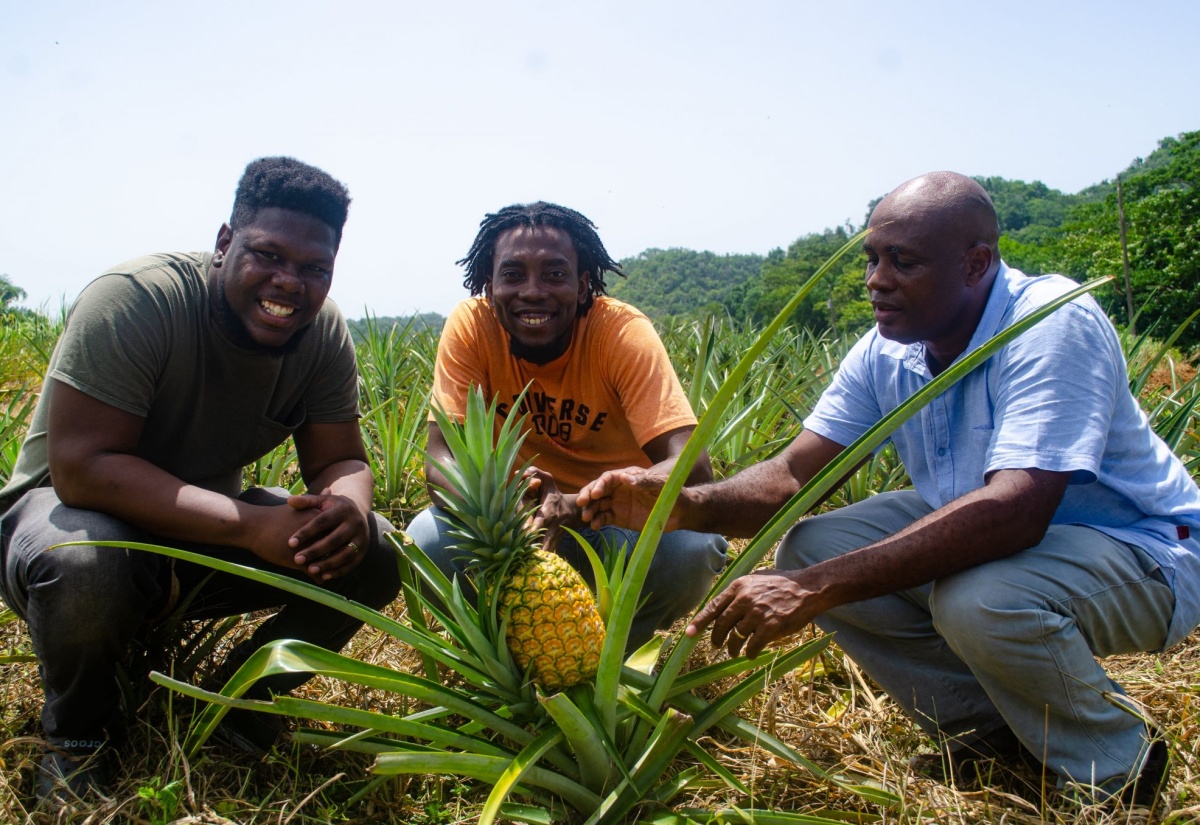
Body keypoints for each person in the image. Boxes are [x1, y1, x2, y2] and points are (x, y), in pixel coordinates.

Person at [578, 172, 1200, 807]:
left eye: (902, 261)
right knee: (813, 545)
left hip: (1144, 552)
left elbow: (1015, 512)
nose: (876, 279)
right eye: (873, 257)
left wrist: (813, 590)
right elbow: (796, 476)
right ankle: (991, 733)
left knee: (977, 599)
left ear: (976, 263)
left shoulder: (1048, 323)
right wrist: (685, 507)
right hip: (1004, 538)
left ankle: (1117, 767)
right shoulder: (886, 350)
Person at [0, 157, 402, 803]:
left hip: (198, 526)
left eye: (314, 268)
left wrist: (348, 507)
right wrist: (250, 525)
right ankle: (76, 740)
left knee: (374, 551)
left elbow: (339, 460)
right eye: (268, 255)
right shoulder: (137, 298)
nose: (289, 283)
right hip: (70, 519)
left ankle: (242, 708)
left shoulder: (319, 332)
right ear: (224, 243)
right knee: (83, 562)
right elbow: (83, 470)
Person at [406, 201, 727, 647]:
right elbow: (440, 457)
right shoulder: (472, 327)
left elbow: (692, 468)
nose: (533, 292)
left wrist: (575, 505)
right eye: (513, 274)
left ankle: (611, 655)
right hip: (517, 527)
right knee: (424, 540)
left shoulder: (619, 332)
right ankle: (506, 653)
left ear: (581, 287)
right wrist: (505, 507)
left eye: (554, 275)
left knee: (692, 550)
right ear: (488, 284)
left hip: (615, 524)